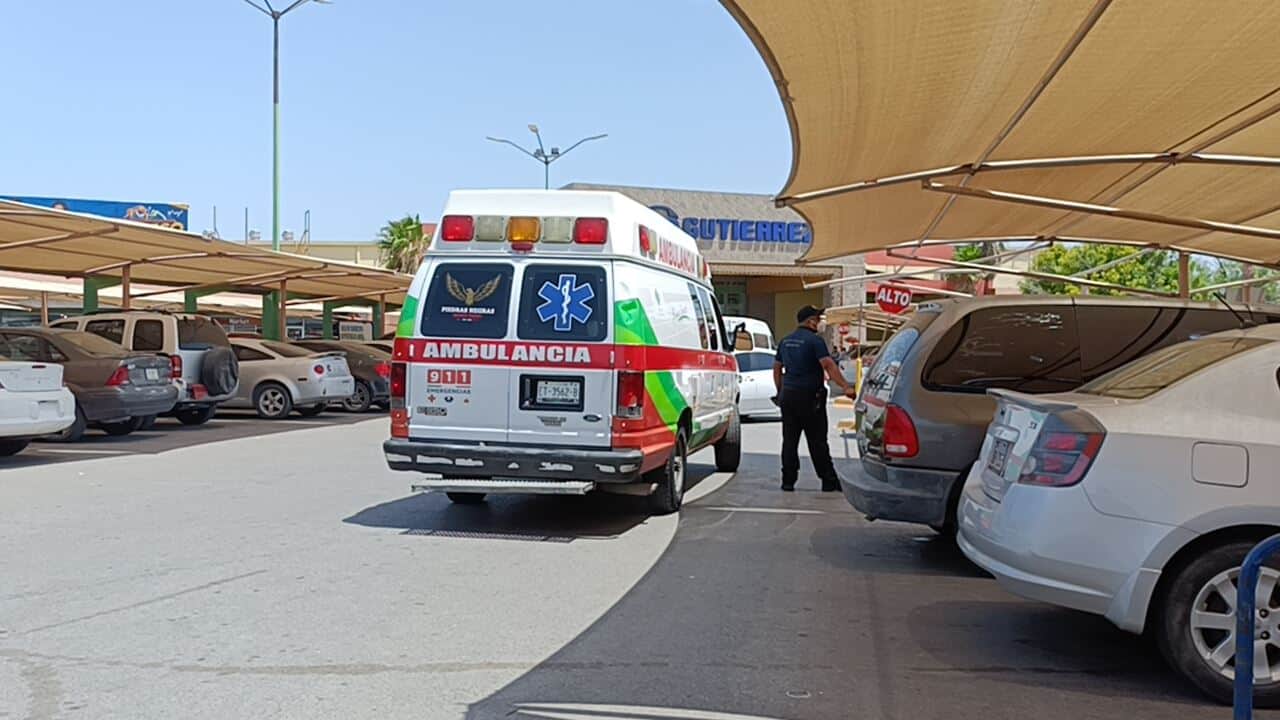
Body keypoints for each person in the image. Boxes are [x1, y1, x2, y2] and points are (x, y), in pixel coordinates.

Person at [772, 305, 857, 492]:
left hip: (789, 396)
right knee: (817, 441)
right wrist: (845, 387)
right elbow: (828, 365)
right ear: (811, 321)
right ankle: (828, 480)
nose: (821, 323)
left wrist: (780, 392)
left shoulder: (785, 341)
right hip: (810, 398)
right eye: (819, 320)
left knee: (790, 440)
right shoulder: (815, 341)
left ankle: (788, 481)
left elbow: (777, 368)